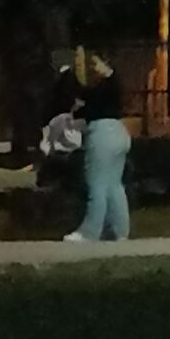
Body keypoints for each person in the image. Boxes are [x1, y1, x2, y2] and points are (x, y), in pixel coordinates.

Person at [62, 53, 130, 242]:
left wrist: (68, 74)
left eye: (96, 63)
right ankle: (120, 231)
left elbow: (85, 97)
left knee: (97, 185)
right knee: (114, 185)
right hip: (119, 132)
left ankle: (89, 232)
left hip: (102, 135)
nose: (92, 67)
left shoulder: (107, 86)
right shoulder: (107, 90)